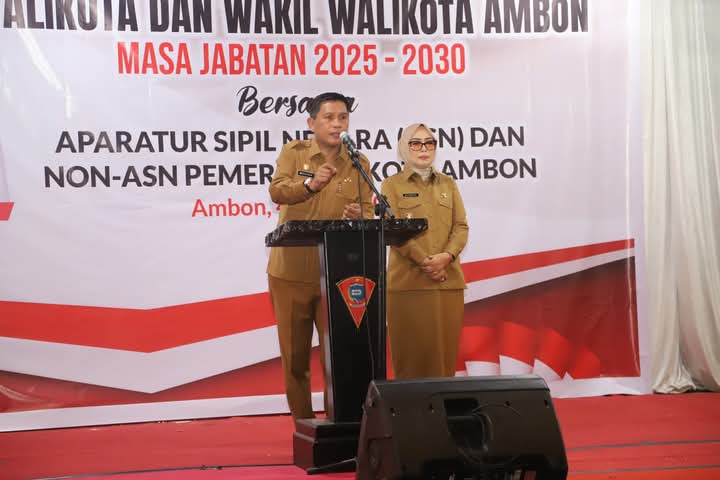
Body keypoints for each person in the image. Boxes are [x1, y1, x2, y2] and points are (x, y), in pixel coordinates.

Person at [266, 92, 374, 420]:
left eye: (343, 117)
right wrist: (310, 186)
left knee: (338, 358)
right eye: (329, 117)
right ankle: (303, 426)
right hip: (291, 273)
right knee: (295, 359)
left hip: (337, 275)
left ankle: (338, 424)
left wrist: (361, 214)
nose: (337, 124)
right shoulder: (294, 153)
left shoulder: (358, 162)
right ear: (311, 123)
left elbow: (369, 209)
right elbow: (277, 190)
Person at [381, 122, 469, 378]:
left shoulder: (448, 184)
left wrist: (446, 257)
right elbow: (393, 230)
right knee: (411, 360)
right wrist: (427, 262)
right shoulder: (391, 185)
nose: (423, 148)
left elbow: (461, 226)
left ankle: (442, 405)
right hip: (409, 285)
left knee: (444, 361)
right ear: (404, 148)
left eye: (429, 143)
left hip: (447, 282)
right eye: (416, 143)